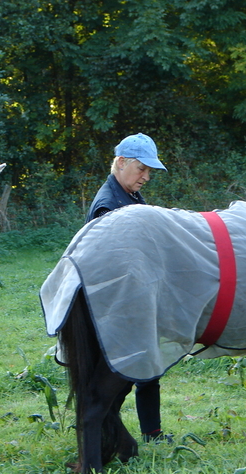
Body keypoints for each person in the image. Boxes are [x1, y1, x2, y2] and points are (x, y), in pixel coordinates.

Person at [86, 132, 170, 442]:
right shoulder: (107, 206)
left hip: (137, 299)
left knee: (150, 368)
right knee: (121, 376)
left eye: (149, 171)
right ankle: (106, 430)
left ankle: (152, 432)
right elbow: (113, 265)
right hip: (117, 306)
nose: (146, 177)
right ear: (121, 163)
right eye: (142, 169)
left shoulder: (130, 195)